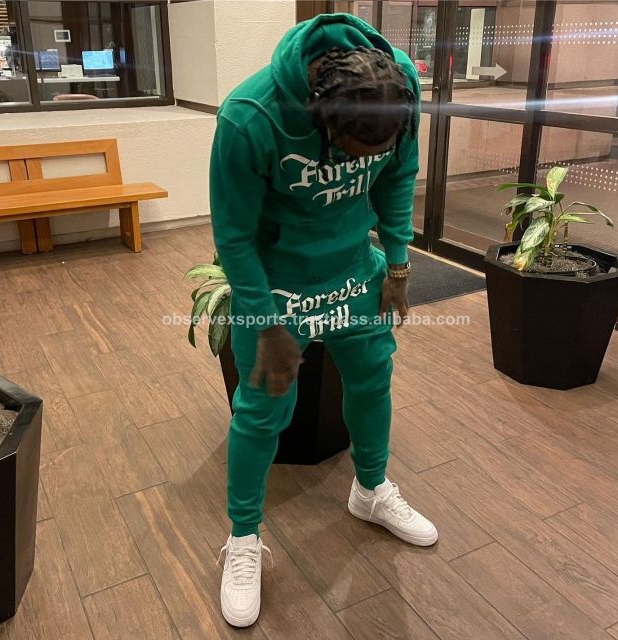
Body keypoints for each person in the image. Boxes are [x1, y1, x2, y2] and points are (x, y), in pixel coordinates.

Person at [210, 13, 438, 628]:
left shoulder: (397, 90)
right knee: (262, 410)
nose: (369, 161)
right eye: (356, 153)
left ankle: (371, 491)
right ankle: (243, 538)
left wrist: (396, 263)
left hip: (353, 270)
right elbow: (233, 236)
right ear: (322, 124)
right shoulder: (250, 117)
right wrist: (266, 324)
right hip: (277, 281)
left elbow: (399, 176)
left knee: (372, 379)